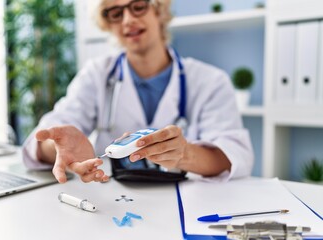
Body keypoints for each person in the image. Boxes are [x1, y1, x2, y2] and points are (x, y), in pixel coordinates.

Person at [22, 0, 254, 184]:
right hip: (114, 200)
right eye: (115, 12)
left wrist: (185, 154)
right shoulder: (96, 74)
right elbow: (45, 139)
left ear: (159, 10)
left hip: (187, 202)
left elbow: (232, 156)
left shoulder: (210, 81)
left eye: (138, 6)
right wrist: (59, 146)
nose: (128, 19)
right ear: (107, 23)